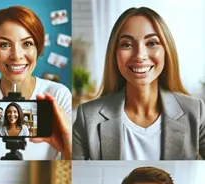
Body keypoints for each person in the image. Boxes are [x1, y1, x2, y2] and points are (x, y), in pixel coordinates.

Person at [73, 7, 205, 161]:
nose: (140, 56)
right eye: (127, 44)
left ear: (166, 50)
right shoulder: (88, 116)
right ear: (114, 54)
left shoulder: (196, 111)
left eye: (152, 43)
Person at [0, 6, 71, 160]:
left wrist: (67, 146)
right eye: (5, 44)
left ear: (38, 49)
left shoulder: (58, 95)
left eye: (27, 44)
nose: (16, 56)